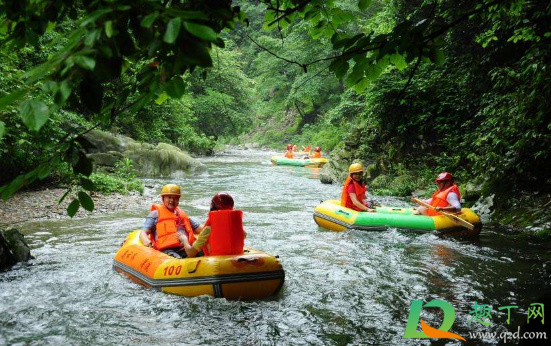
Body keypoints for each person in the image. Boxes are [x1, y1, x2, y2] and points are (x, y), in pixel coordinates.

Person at [139, 184, 203, 258]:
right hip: (167, 250)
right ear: (163, 198)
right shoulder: (155, 214)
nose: (172, 200)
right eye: (169, 197)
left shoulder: (182, 215)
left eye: (175, 198)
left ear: (178, 200)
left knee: (202, 252)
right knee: (176, 258)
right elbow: (143, 232)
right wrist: (146, 241)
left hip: (184, 248)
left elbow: (202, 229)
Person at [182, 193, 246, 258]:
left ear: (212, 208)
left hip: (216, 264)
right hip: (237, 260)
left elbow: (190, 253)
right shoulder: (238, 228)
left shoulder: (208, 229)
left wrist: (184, 239)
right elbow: (243, 236)